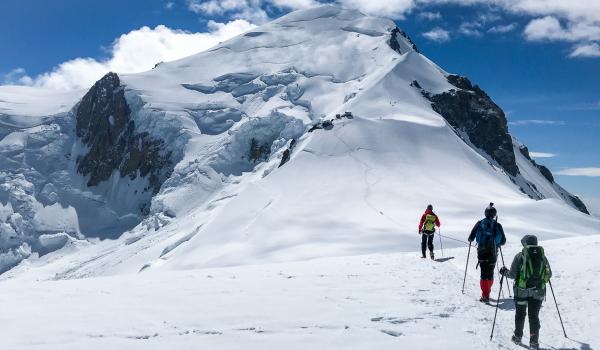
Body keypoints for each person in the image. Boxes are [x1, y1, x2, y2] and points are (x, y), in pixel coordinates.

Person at [500, 235, 552, 350]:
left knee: (520, 315)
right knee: (534, 316)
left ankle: (518, 337)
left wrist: (504, 272)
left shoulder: (519, 256)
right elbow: (549, 274)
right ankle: (534, 342)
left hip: (521, 291)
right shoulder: (543, 257)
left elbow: (512, 275)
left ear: (525, 244)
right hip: (538, 292)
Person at [467, 203, 506, 302]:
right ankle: (488, 290)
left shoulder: (479, 223)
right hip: (493, 251)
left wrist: (472, 239)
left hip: (482, 251)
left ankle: (485, 294)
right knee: (490, 272)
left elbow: (471, 237)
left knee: (483, 272)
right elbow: (503, 241)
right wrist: (496, 244)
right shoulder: (497, 225)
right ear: (494, 214)